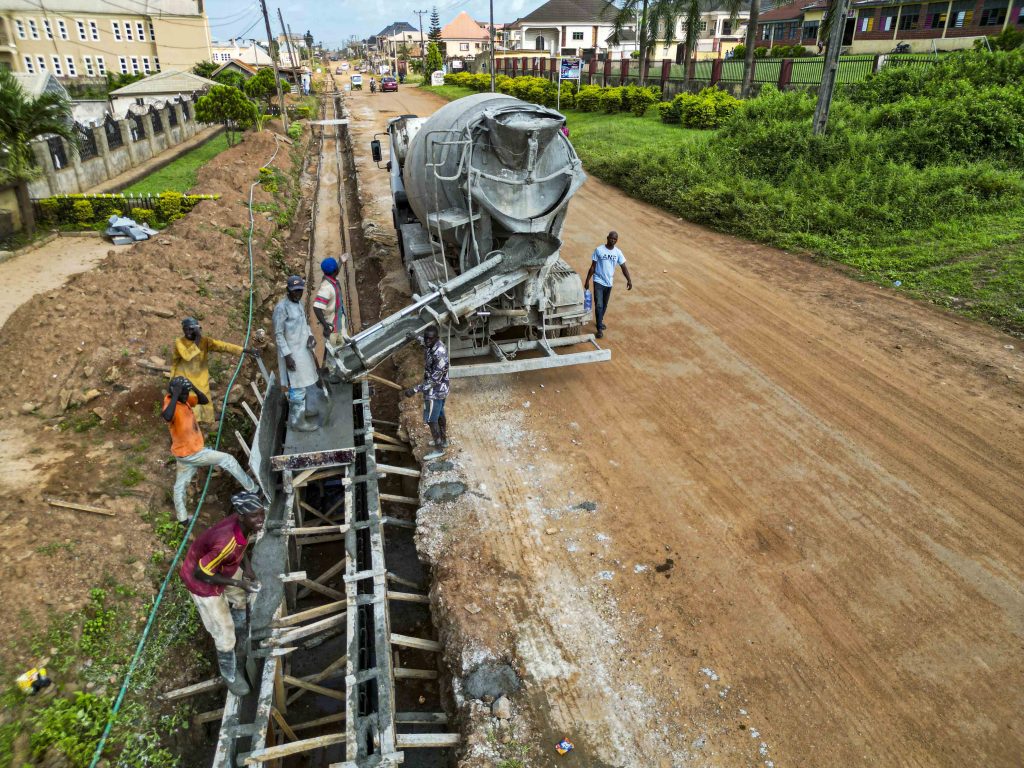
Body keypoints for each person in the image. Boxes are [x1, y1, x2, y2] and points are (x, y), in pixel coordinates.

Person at [179, 490, 266, 697]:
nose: (260, 520)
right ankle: (229, 673)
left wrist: (247, 568)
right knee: (224, 633)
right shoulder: (225, 542)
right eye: (255, 516)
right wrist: (237, 582)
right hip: (202, 583)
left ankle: (239, 629)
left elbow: (241, 547)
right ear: (242, 516)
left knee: (244, 597)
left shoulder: (244, 525)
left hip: (221, 568)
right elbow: (202, 572)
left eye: (262, 514)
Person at [162, 376, 259, 523]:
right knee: (228, 459)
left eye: (186, 394)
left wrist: (192, 387)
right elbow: (167, 416)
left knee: (180, 487)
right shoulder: (171, 404)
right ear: (174, 393)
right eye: (183, 394)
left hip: (184, 454)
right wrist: (176, 395)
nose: (186, 396)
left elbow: (203, 400)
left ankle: (182, 519)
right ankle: (252, 489)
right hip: (194, 453)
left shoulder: (185, 400)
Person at [170, 317, 256, 425]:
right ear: (184, 330)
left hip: (200, 377)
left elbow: (223, 346)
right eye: (189, 329)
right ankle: (187, 427)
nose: (191, 332)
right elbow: (187, 356)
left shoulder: (204, 341)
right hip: (183, 377)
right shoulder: (179, 342)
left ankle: (203, 425)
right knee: (188, 403)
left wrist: (244, 350)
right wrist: (197, 339)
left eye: (194, 330)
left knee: (204, 399)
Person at [272, 275, 321, 432]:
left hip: (303, 349)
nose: (297, 294)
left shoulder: (298, 303)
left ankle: (305, 410)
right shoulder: (281, 308)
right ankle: (297, 421)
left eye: (300, 290)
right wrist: (287, 356)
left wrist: (311, 335)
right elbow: (278, 334)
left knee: (307, 381)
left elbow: (304, 324)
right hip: (293, 353)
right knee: (297, 385)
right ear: (288, 290)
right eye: (294, 291)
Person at [402, 326, 450, 461]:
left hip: (435, 391)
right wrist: (415, 336)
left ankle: (439, 448)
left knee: (431, 419)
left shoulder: (439, 354)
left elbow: (434, 380)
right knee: (440, 414)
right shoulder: (432, 344)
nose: (427, 341)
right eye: (426, 337)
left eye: (430, 338)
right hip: (440, 389)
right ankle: (443, 441)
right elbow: (424, 341)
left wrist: (414, 390)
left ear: (436, 338)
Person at [583, 231, 633, 339]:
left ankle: (599, 321)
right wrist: (587, 280)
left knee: (604, 305)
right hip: (598, 281)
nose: (613, 240)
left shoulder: (618, 252)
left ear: (617, 241)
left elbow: (623, 267)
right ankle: (599, 329)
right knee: (599, 304)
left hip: (609, 283)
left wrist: (629, 280)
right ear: (607, 238)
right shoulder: (599, 250)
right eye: (611, 238)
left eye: (615, 239)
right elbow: (592, 267)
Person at [312, 257, 347, 347]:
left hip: (338, 319)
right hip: (333, 325)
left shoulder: (331, 278)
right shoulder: (326, 288)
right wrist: (326, 326)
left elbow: (335, 271)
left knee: (335, 345)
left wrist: (340, 262)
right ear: (335, 271)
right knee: (337, 348)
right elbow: (316, 307)